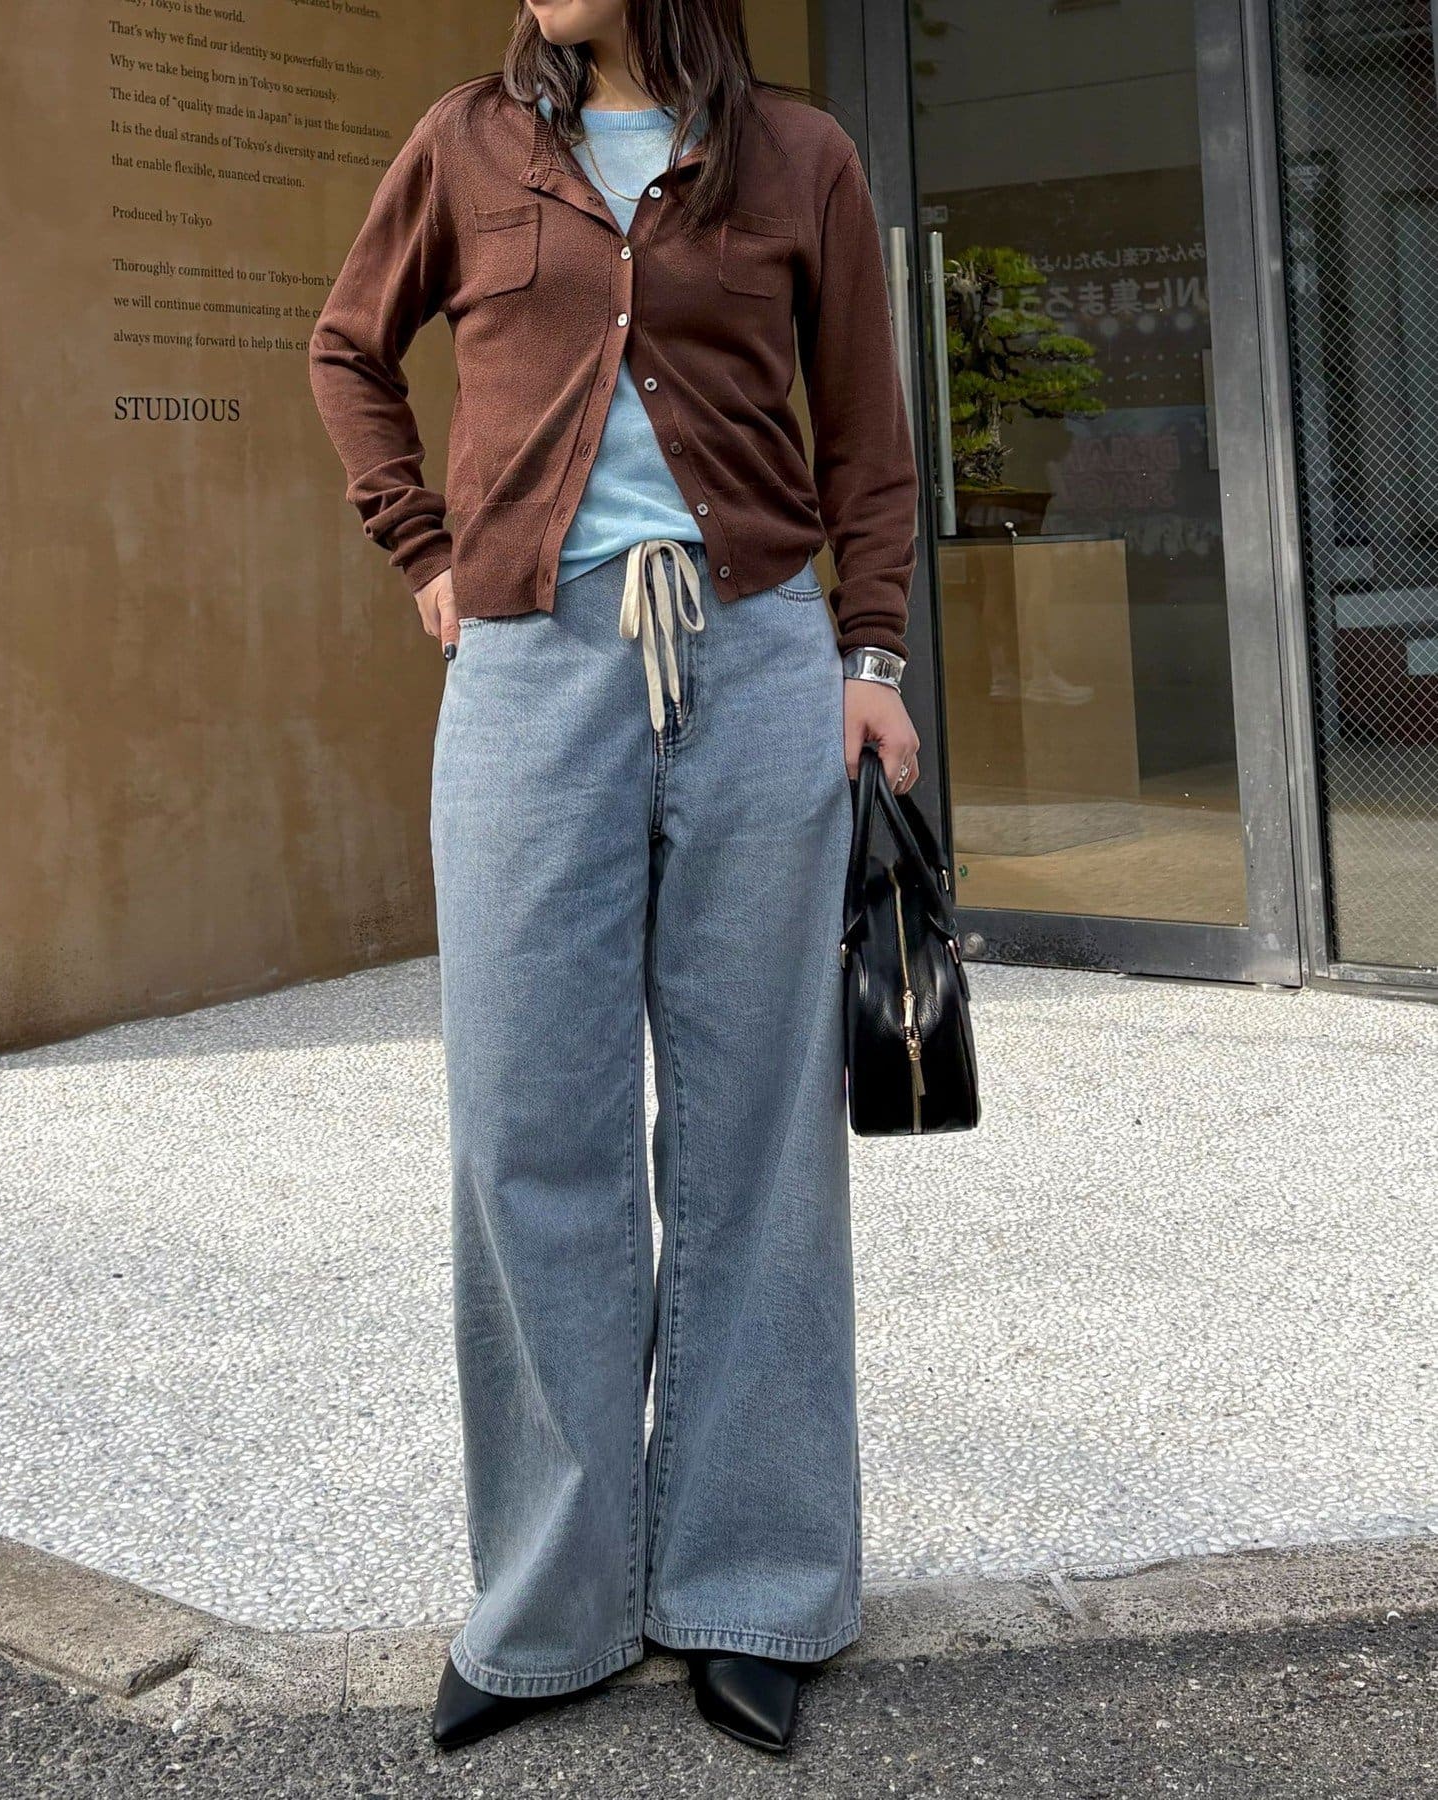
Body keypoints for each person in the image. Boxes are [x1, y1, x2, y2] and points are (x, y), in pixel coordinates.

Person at [308, 0, 921, 1756]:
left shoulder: (803, 156)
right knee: (525, 1127)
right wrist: (424, 551)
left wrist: (870, 659)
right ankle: (550, 1603)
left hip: (758, 663)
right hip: (531, 669)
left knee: (755, 1140)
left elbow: (864, 436)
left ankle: (754, 1590)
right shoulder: (468, 143)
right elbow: (348, 349)